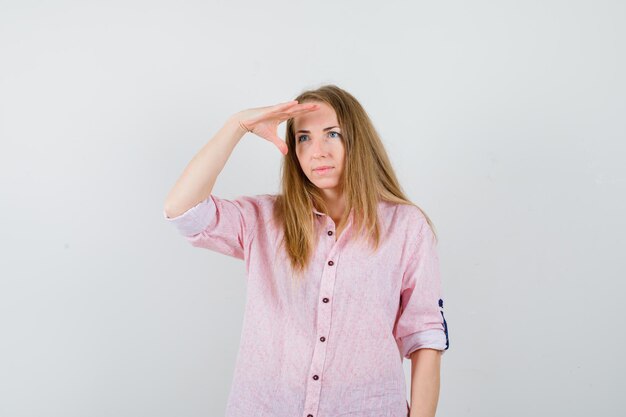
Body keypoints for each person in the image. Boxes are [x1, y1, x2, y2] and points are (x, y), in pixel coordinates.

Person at [163, 84, 450, 417]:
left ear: (358, 140)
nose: (318, 151)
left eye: (332, 134)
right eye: (304, 138)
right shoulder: (264, 219)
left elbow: (425, 337)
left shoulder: (405, 227)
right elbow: (182, 211)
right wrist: (237, 125)